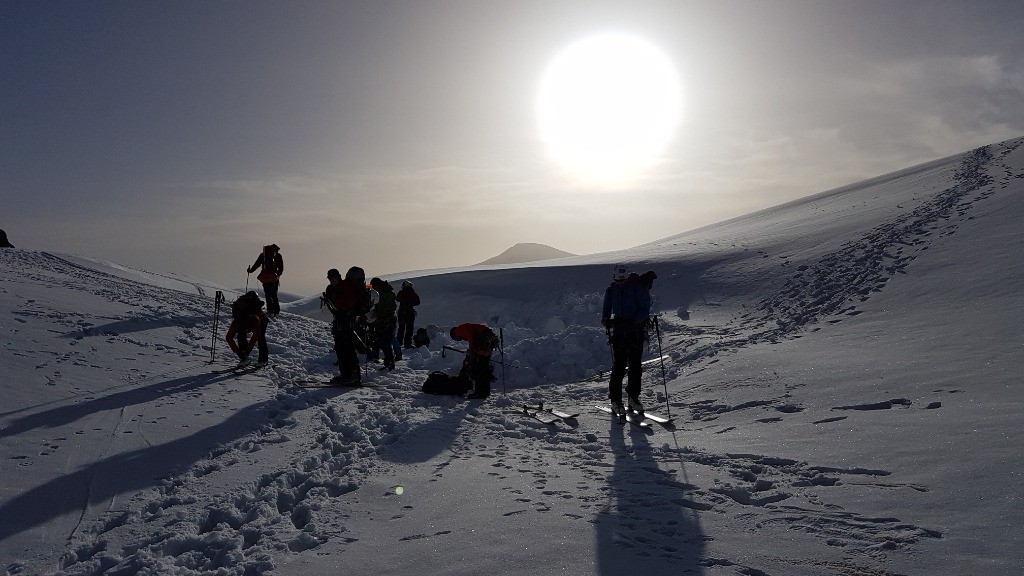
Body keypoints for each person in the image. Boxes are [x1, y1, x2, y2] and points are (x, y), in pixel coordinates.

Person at [601, 264, 652, 416]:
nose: (620, 282)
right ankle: (616, 401)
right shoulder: (611, 290)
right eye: (618, 280)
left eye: (622, 280)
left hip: (634, 331)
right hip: (620, 332)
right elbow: (606, 308)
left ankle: (632, 398)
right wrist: (605, 319)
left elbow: (644, 309)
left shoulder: (636, 289)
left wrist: (634, 321)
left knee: (635, 366)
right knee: (619, 366)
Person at [322, 266, 371, 384]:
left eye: (334, 278)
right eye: (330, 279)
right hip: (340, 321)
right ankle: (345, 374)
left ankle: (354, 375)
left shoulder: (346, 286)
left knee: (348, 348)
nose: (332, 280)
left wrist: (337, 304)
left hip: (348, 321)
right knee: (340, 348)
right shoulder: (334, 288)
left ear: (339, 277)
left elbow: (350, 302)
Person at [449, 322, 499, 399]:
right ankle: (485, 391)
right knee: (484, 367)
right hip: (489, 338)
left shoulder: (459, 330)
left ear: (454, 335)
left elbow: (470, 337)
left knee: (478, 368)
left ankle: (479, 392)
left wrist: (472, 352)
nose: (459, 340)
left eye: (456, 339)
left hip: (484, 340)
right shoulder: (467, 327)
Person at [226, 291, 269, 364]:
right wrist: (239, 352)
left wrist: (247, 351)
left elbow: (256, 335)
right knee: (241, 336)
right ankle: (244, 358)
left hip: (261, 321)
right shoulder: (237, 320)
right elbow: (228, 337)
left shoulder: (255, 318)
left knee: (261, 338)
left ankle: (263, 360)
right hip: (246, 321)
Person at [369, 277, 400, 370]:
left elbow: (392, 307)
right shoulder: (381, 293)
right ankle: (388, 362)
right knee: (382, 342)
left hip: (388, 321)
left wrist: (379, 313)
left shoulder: (388, 293)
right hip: (382, 320)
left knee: (386, 343)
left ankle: (390, 363)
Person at [247, 244, 284, 315]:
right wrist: (278, 274)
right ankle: (276, 311)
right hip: (274, 278)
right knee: (274, 295)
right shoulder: (278, 256)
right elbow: (281, 268)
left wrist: (250, 270)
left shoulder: (263, 255)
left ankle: (270, 310)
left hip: (265, 278)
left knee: (268, 295)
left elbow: (256, 264)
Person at [396, 280, 421, 349]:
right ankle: (407, 343)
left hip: (402, 312)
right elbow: (417, 302)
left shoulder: (401, 292)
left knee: (401, 328)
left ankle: (399, 343)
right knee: (409, 329)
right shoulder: (413, 293)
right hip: (410, 312)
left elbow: (397, 298)